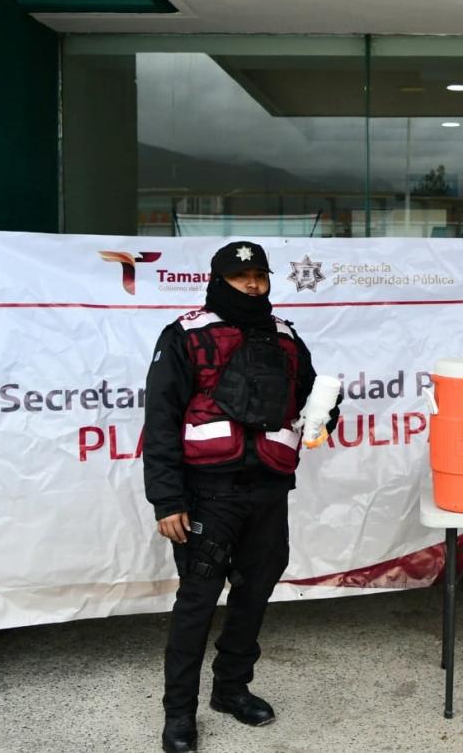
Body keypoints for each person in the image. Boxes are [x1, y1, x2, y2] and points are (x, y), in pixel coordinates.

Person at [143, 241, 338, 753]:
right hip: (207, 493)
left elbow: (308, 397)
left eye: (260, 276)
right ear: (218, 280)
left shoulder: (287, 336)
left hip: (269, 490)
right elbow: (160, 420)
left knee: (254, 594)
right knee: (197, 601)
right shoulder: (184, 335)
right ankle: (178, 714)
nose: (252, 284)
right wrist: (167, 500)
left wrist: (325, 417)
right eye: (240, 276)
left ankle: (231, 689)